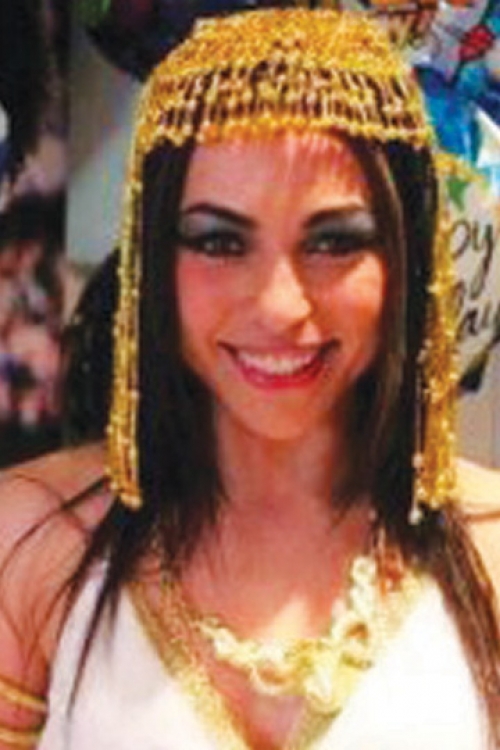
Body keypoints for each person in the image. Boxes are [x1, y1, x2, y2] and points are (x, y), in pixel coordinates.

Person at [0, 7, 500, 749]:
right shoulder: (32, 542)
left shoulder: (490, 554)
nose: (278, 305)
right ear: (153, 261)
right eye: (220, 242)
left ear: (404, 259)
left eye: (333, 242)